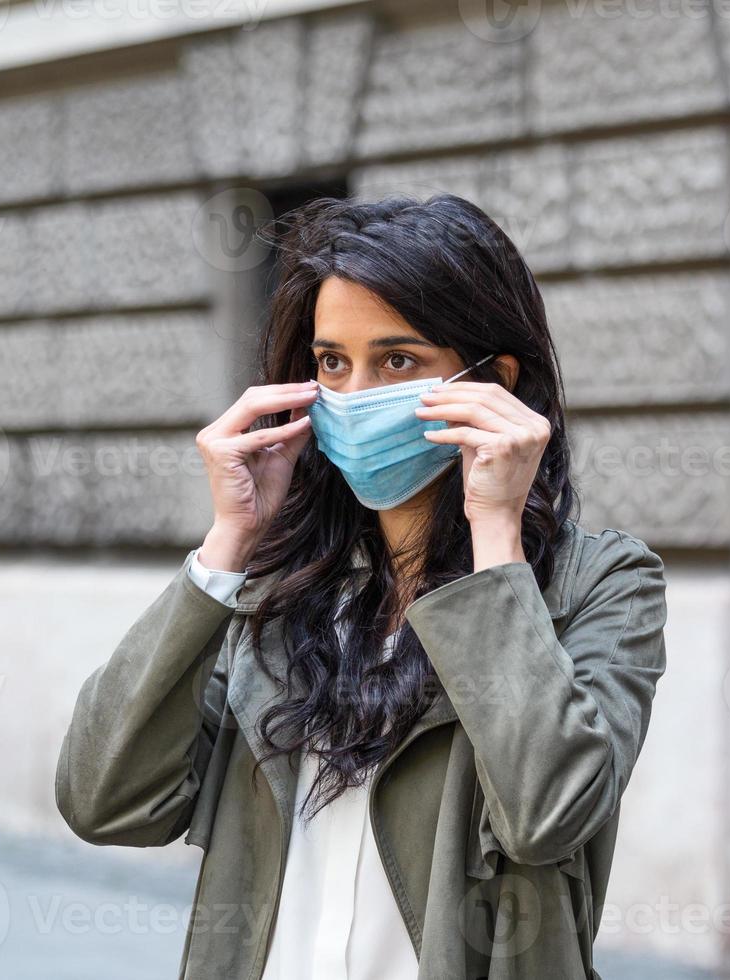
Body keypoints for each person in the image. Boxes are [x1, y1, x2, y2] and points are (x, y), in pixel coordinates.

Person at [55, 194, 669, 980]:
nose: (352, 396)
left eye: (398, 360)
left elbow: (548, 816)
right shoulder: (278, 586)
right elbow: (103, 800)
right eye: (331, 362)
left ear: (497, 382)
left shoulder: (602, 583)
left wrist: (494, 536)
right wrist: (228, 544)